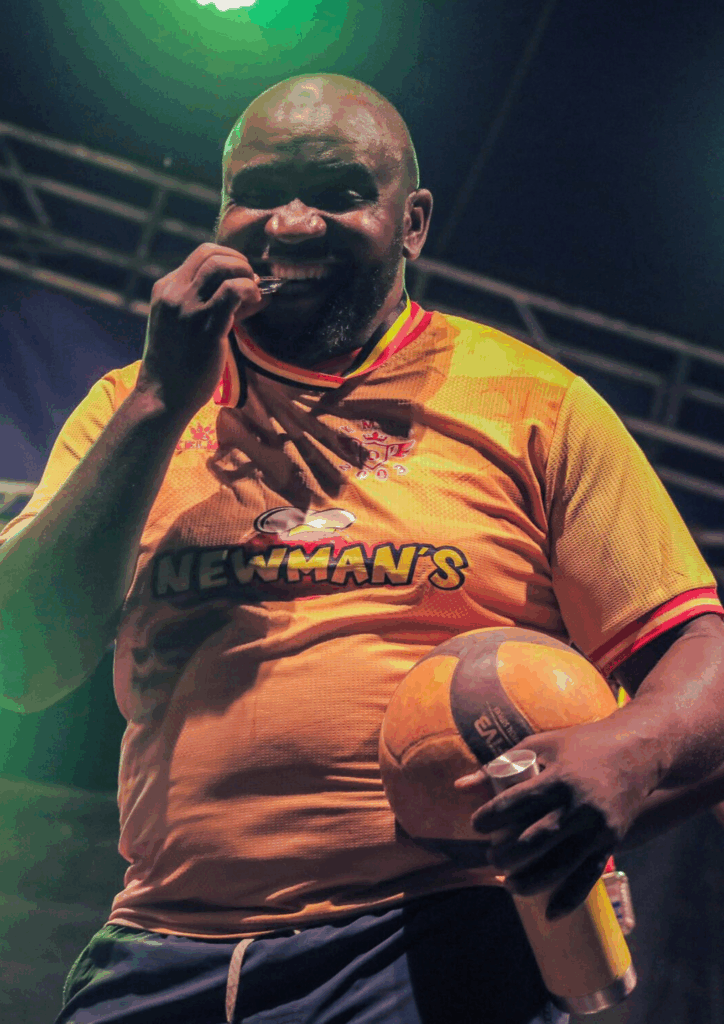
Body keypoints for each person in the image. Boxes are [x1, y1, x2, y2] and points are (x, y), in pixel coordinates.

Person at [1, 73, 724, 1024]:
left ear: (414, 221)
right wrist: (157, 400)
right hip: (157, 951)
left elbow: (701, 657)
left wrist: (628, 755)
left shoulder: (535, 405)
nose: (290, 223)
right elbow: (23, 660)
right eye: (258, 189)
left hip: (429, 945)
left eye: (339, 190)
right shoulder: (128, 407)